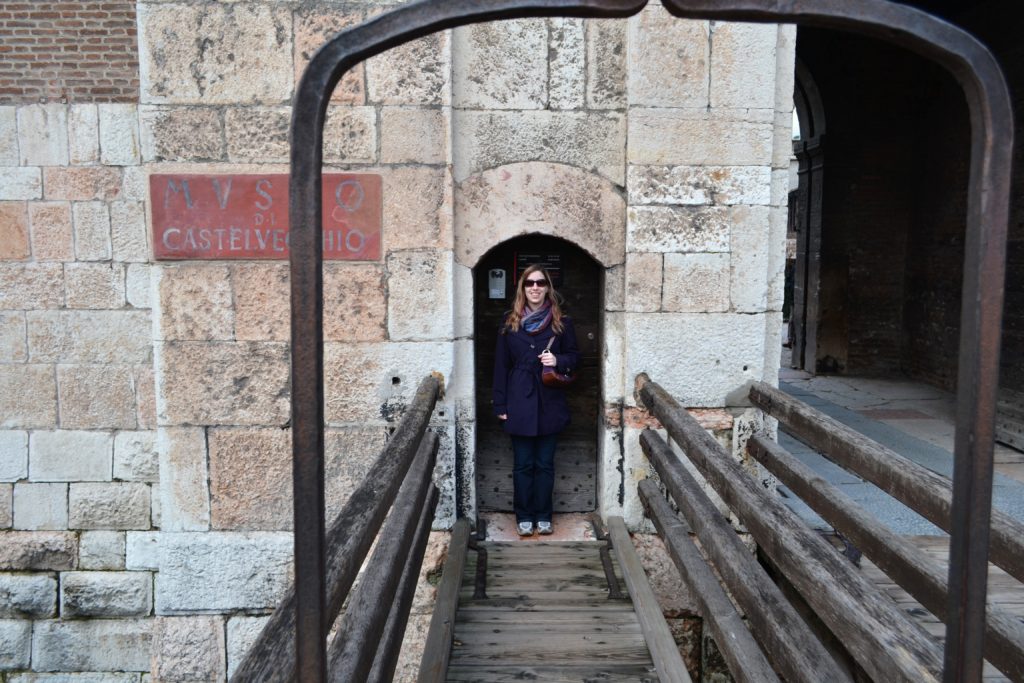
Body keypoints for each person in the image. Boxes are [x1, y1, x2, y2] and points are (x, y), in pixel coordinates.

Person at [493, 264, 579, 536]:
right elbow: (500, 367)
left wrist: (558, 360)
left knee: (544, 464)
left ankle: (543, 515)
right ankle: (524, 516)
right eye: (529, 283)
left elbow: (576, 358)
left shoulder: (562, 322)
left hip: (549, 401)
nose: (535, 288)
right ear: (522, 288)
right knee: (523, 464)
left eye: (540, 283)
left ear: (547, 288)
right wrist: (500, 404)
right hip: (519, 399)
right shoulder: (509, 323)